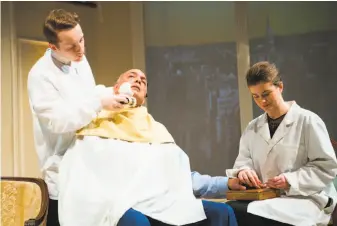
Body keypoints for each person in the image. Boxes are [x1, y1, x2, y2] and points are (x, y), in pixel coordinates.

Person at [58, 69, 240, 226]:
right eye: (131, 76)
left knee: (222, 213)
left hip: (160, 202)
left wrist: (227, 184)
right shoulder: (95, 123)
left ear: (145, 97)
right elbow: (82, 175)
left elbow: (180, 178)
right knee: (136, 222)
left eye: (143, 81)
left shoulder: (157, 131)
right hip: (117, 204)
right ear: (115, 87)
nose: (138, 80)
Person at [27, 9, 131, 226]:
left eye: (81, 40)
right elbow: (58, 121)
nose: (81, 49)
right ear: (53, 47)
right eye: (72, 46)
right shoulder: (40, 76)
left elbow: (88, 94)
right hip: (62, 171)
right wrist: (99, 103)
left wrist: (114, 92)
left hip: (88, 163)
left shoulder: (79, 60)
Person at [226, 61, 337, 226]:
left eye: (266, 94)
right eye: (255, 96)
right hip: (266, 198)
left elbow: (326, 166)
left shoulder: (308, 121)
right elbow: (244, 160)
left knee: (247, 214)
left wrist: (290, 181)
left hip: (305, 199)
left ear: (280, 87)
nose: (262, 101)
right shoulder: (252, 128)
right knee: (229, 210)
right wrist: (244, 171)